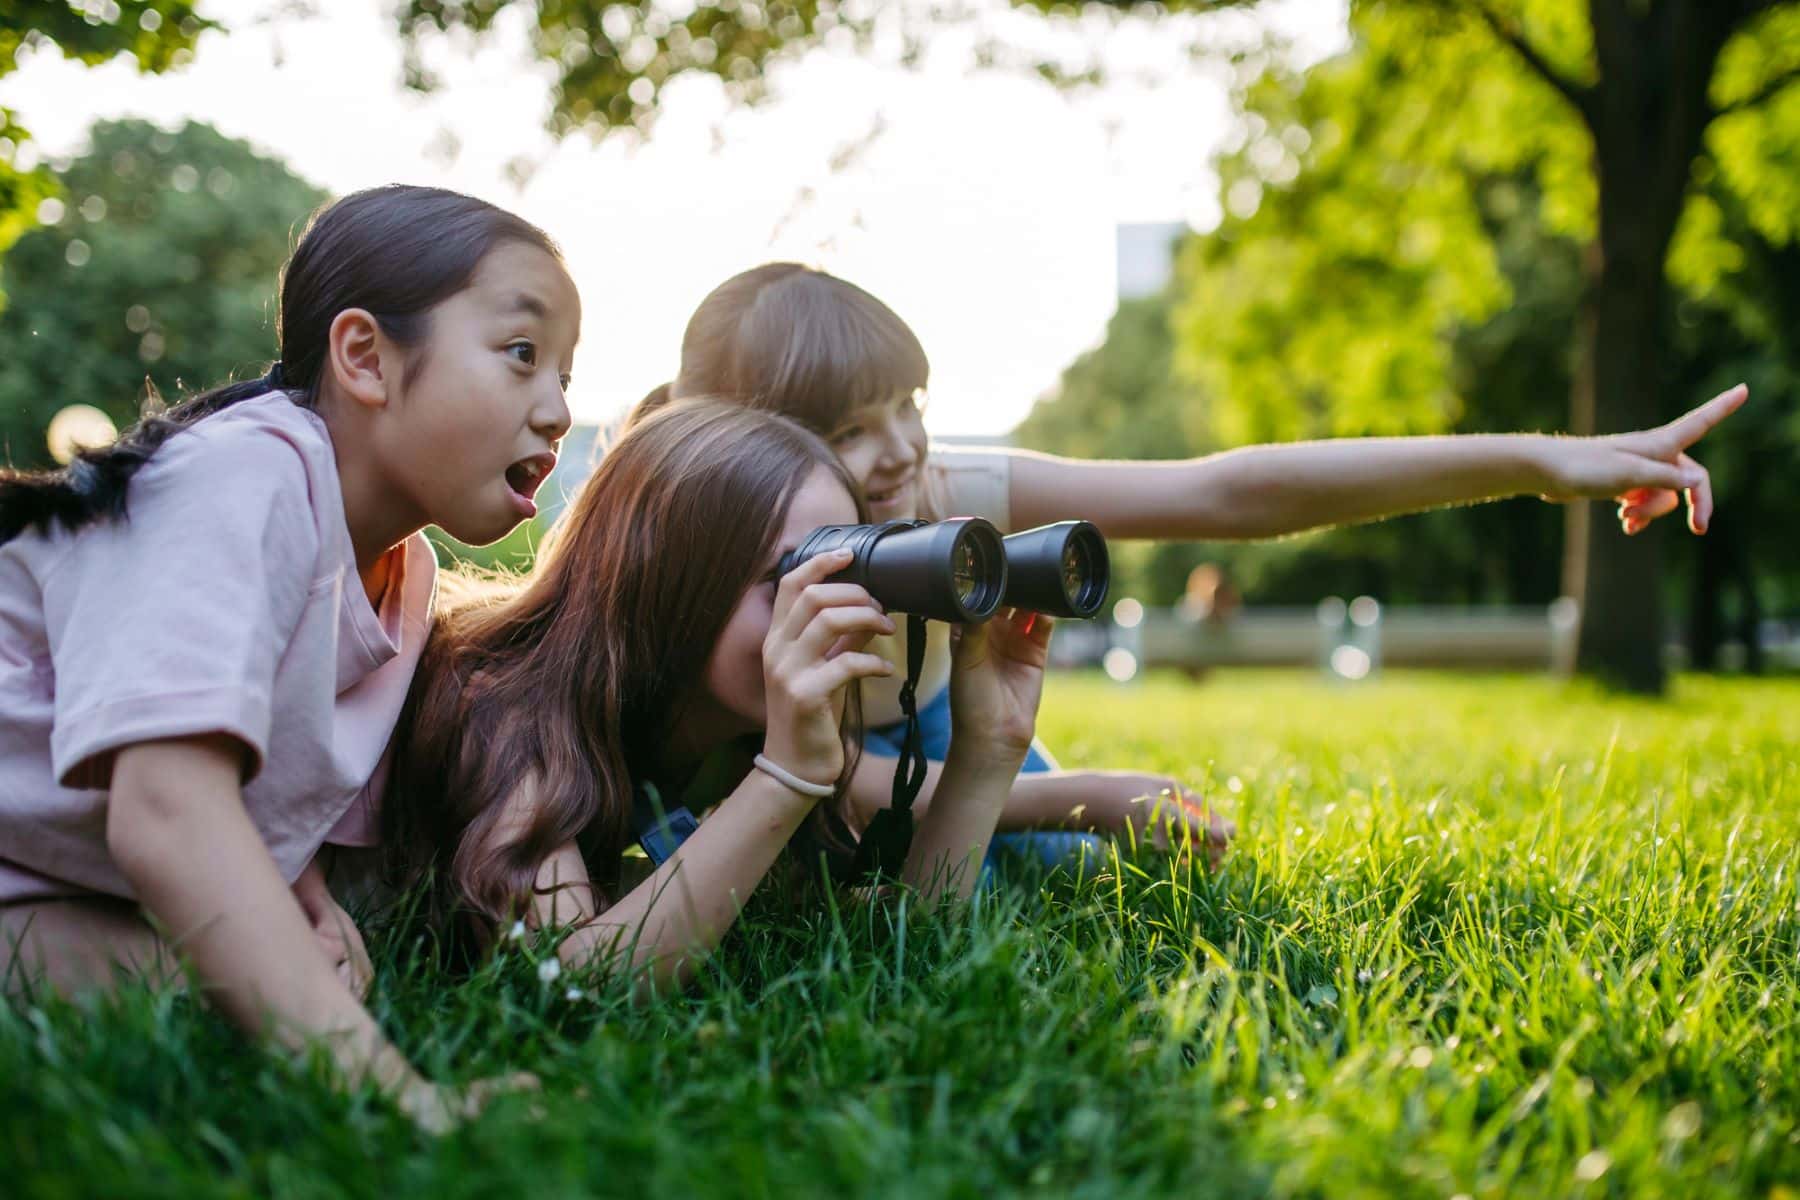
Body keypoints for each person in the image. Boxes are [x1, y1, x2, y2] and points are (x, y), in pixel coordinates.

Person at [636, 262, 1747, 870]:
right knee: (870, 876)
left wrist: (1543, 463)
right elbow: (826, 782)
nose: (904, 452)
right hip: (810, 761)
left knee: (1081, 875)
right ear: (744, 448)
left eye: (909, 404)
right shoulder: (719, 566)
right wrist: (1075, 793)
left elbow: (1229, 493)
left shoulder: (942, 489)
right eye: (851, 428)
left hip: (932, 725)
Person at [0, 184, 580, 1130]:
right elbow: (166, 806)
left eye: (566, 375)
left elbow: (254, 775)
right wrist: (395, 1095)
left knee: (233, 988)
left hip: (52, 882)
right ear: (366, 357)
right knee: (233, 997)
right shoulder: (245, 473)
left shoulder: (404, 571)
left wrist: (299, 899)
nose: (556, 410)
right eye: (522, 354)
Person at [384, 400, 1052, 986]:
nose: (824, 614)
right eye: (789, 579)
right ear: (662, 582)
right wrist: (784, 778)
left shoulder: (742, 733)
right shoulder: (504, 703)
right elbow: (563, 982)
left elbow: (899, 952)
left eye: (850, 575)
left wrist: (987, 752)